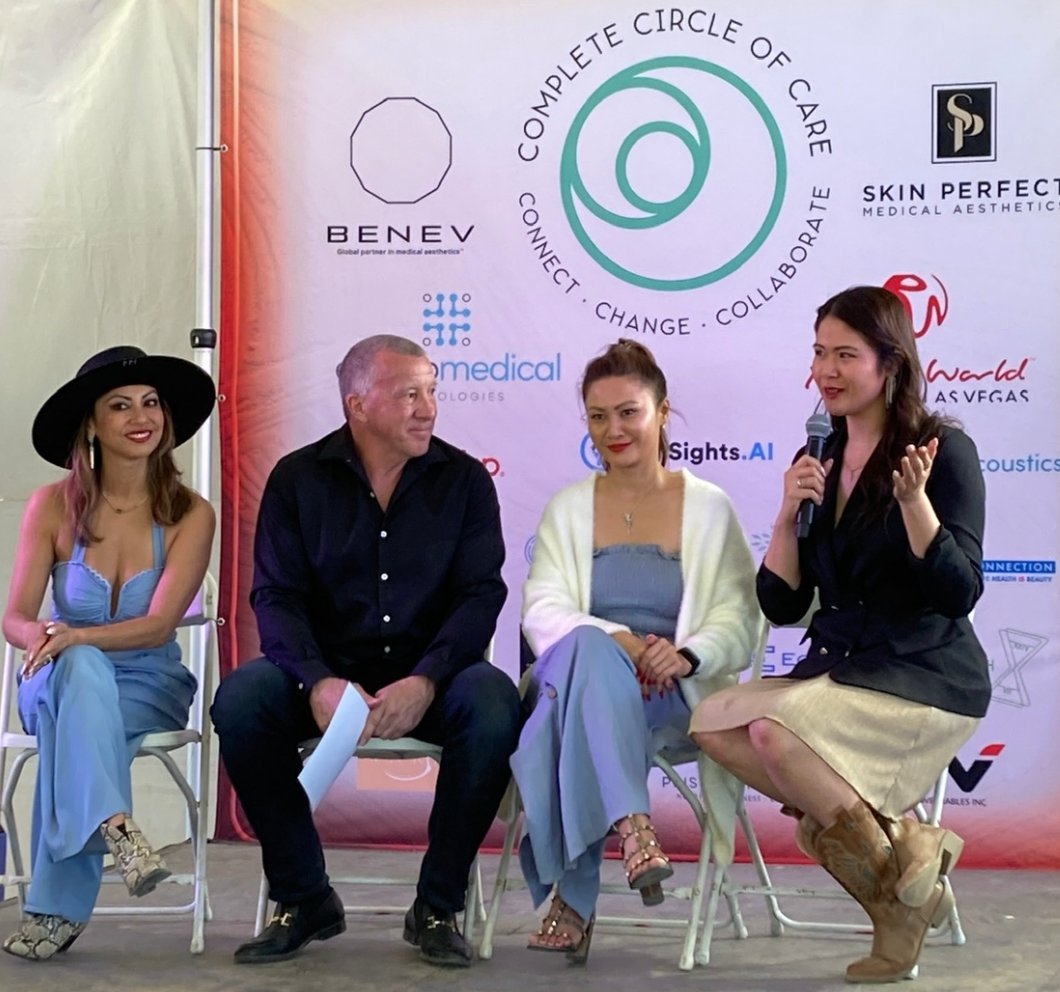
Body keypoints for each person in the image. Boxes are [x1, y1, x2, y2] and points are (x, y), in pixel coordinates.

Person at [691, 286, 989, 984]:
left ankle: (893, 911)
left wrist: (914, 506)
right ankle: (907, 849)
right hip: (841, 669)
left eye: (845, 355)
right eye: (819, 352)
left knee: (777, 737)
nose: (826, 370)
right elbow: (783, 602)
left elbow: (959, 592)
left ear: (890, 363)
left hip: (923, 673)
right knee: (713, 721)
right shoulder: (818, 451)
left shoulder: (943, 452)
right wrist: (785, 515)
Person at [211, 334, 521, 968]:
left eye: (431, 391)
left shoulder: (464, 481)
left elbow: (480, 595)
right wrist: (317, 680)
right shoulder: (298, 479)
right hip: (326, 676)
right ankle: (304, 897)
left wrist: (427, 680)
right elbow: (275, 597)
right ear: (357, 404)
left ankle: (438, 906)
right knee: (242, 701)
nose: (428, 408)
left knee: (492, 703)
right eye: (410, 394)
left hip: (431, 676)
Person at [510, 339, 761, 964]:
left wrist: (688, 655)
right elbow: (542, 609)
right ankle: (633, 826)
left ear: (662, 412)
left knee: (570, 713)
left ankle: (575, 895)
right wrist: (619, 641)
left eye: (629, 413)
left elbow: (739, 615)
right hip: (581, 678)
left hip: (671, 694)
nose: (613, 431)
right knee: (587, 653)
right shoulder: (569, 507)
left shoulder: (709, 507)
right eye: (598, 417)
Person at [1, 345, 216, 962]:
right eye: (120, 406)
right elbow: (14, 617)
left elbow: (158, 626)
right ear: (91, 425)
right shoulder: (51, 505)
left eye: (151, 403)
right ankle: (117, 827)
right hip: (55, 676)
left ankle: (58, 905)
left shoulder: (191, 513)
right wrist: (40, 636)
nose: (140, 416)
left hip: (148, 684)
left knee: (75, 715)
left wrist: (76, 635)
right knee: (77, 676)